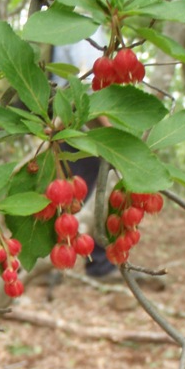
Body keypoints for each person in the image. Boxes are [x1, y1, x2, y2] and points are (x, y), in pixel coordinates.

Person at [50, 27, 118, 279]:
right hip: (82, 124)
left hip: (63, 122)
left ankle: (62, 257)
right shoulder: (84, 27)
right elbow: (89, 81)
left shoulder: (61, 29)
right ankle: (98, 264)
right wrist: (111, 133)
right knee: (92, 188)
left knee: (69, 192)